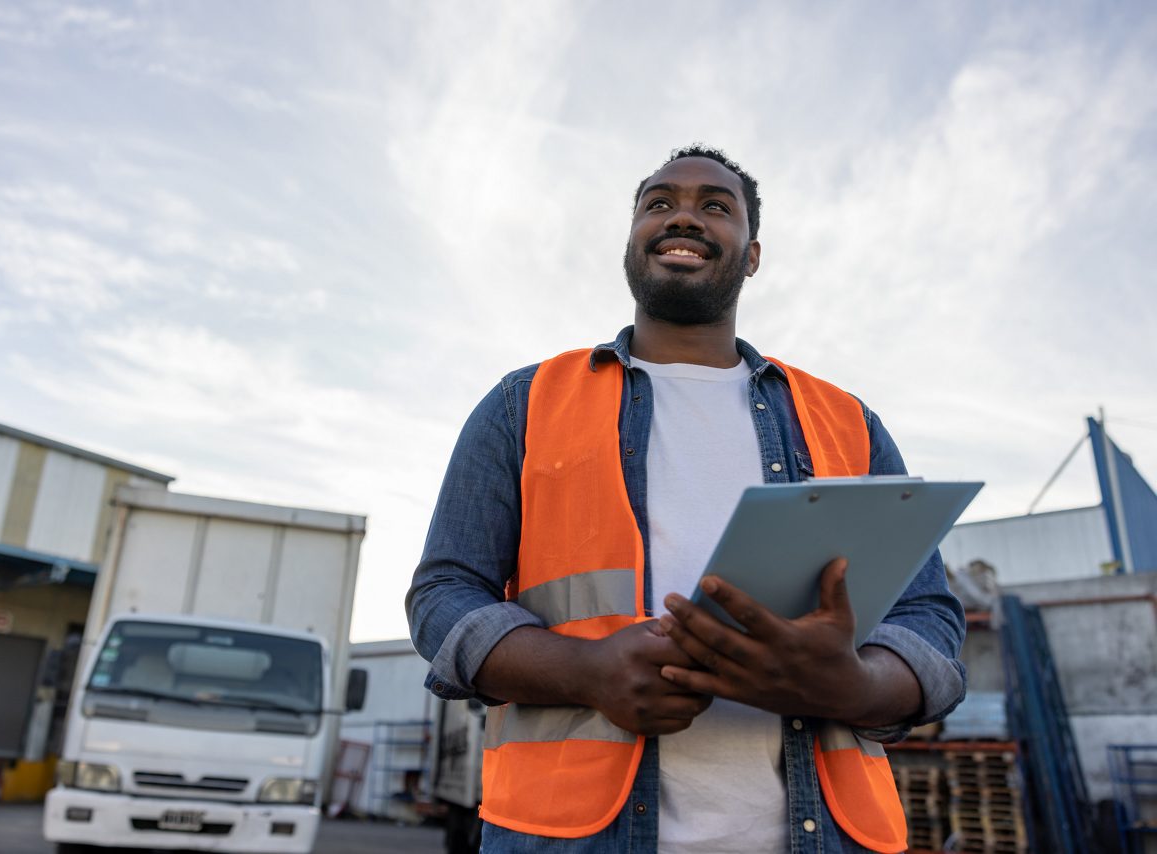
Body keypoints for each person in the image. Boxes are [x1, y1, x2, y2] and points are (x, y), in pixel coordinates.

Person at [406, 144, 966, 854]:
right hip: (568, 836)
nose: (684, 217)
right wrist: (586, 671)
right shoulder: (525, 404)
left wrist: (855, 686)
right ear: (632, 242)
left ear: (752, 254)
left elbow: (928, 618)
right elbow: (443, 594)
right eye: (660, 203)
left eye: (715, 206)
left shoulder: (846, 420)